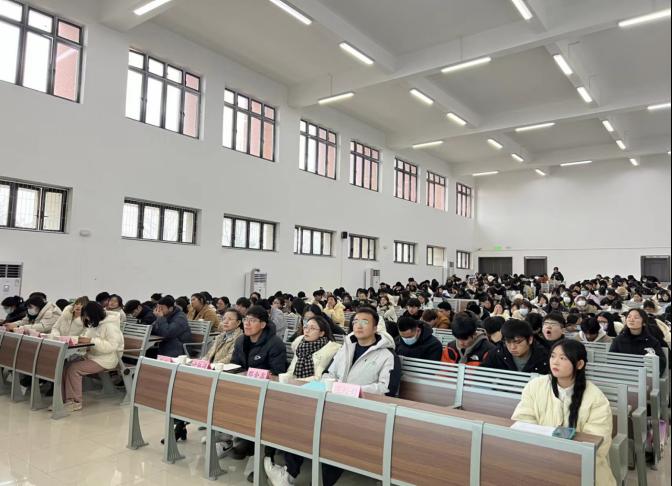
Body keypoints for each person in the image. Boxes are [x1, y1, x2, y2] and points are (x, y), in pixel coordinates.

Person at [265, 307, 400, 486]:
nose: (358, 325)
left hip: (365, 410)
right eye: (355, 321)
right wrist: (331, 386)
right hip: (335, 404)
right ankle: (288, 475)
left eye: (365, 322)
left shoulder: (387, 355)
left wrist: (352, 390)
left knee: (333, 434)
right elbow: (329, 373)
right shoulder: (346, 348)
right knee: (300, 421)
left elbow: (387, 389)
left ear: (375, 327)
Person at [512, 340, 616, 486]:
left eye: (563, 358)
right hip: (538, 460)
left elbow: (597, 442)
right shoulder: (535, 386)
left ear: (579, 364)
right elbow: (522, 420)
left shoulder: (596, 398)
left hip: (581, 467)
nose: (555, 362)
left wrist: (561, 460)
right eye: (553, 356)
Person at [230, 306, 287, 472]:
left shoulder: (275, 343)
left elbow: (277, 373)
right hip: (245, 388)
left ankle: (263, 454)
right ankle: (241, 440)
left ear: (262, 324)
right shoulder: (241, 340)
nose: (247, 324)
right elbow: (234, 365)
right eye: (246, 320)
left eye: (252, 320)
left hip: (268, 393)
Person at [61, 302, 124, 412]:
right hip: (93, 356)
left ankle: (75, 402)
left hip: (106, 359)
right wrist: (81, 339)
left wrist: (91, 341)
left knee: (74, 369)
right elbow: (87, 338)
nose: (86, 318)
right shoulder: (95, 324)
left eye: (87, 315)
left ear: (94, 314)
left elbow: (111, 346)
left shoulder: (110, 326)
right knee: (65, 366)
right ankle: (63, 399)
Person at [610, 309, 667, 376]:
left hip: (644, 377)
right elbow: (611, 360)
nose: (631, 320)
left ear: (644, 323)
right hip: (622, 376)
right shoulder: (618, 340)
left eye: (636, 317)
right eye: (629, 317)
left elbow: (661, 363)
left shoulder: (652, 341)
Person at [482, 319, 550, 374]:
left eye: (517, 342)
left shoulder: (545, 357)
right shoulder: (496, 354)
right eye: (508, 342)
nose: (512, 347)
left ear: (530, 340)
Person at [287, 315, 340, 380]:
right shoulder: (299, 343)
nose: (307, 331)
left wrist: (297, 381)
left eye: (312, 328)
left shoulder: (330, 350)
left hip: (315, 384)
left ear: (321, 333)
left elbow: (320, 377)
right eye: (306, 327)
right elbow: (291, 371)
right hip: (293, 382)